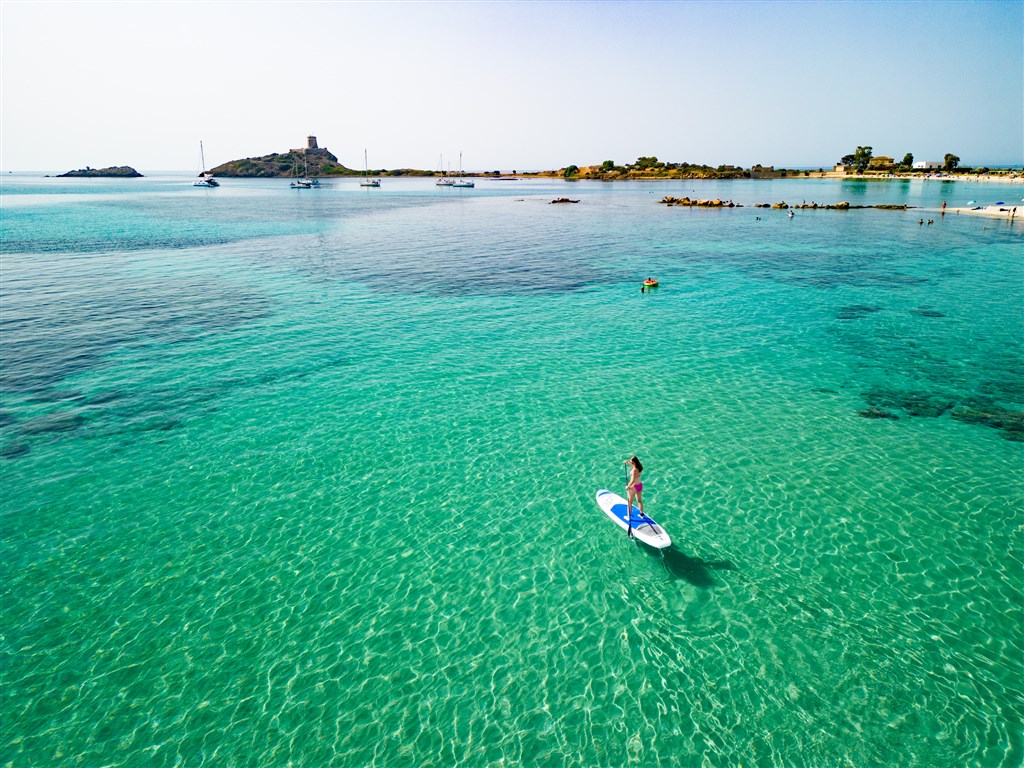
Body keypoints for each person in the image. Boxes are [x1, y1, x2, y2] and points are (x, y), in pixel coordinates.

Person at [623, 456, 645, 532]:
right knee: (639, 500)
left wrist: (628, 486)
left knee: (630, 502)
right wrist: (627, 463)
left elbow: (632, 480)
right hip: (640, 485)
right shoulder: (639, 467)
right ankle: (641, 514)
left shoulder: (634, 470)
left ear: (634, 462)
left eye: (631, 462)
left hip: (634, 486)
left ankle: (629, 516)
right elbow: (633, 466)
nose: (631, 463)